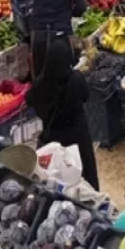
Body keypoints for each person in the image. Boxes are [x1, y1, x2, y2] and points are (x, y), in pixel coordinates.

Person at [27, 37, 99, 190]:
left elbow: (30, 100)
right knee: (85, 170)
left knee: (60, 175)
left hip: (54, 136)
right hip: (77, 134)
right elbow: (85, 96)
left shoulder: (41, 83)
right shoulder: (76, 79)